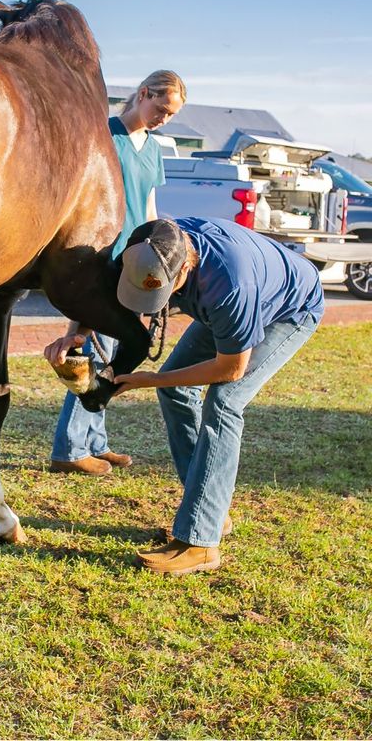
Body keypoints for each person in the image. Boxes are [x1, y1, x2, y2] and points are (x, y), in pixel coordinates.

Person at [45, 217, 324, 574]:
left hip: (288, 309)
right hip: (230, 306)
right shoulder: (145, 247)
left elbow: (230, 369)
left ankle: (201, 543)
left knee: (225, 403)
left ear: (185, 269)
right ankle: (210, 512)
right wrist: (76, 335)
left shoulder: (229, 286)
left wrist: (151, 380)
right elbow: (101, 303)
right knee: (178, 388)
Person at [50, 70, 186, 475]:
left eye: (171, 115)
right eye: (160, 108)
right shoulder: (104, 133)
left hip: (135, 260)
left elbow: (148, 206)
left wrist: (160, 259)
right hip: (101, 254)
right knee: (98, 350)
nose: (164, 118)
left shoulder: (155, 148)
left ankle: (96, 442)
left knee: (115, 351)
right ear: (143, 94)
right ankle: (70, 450)